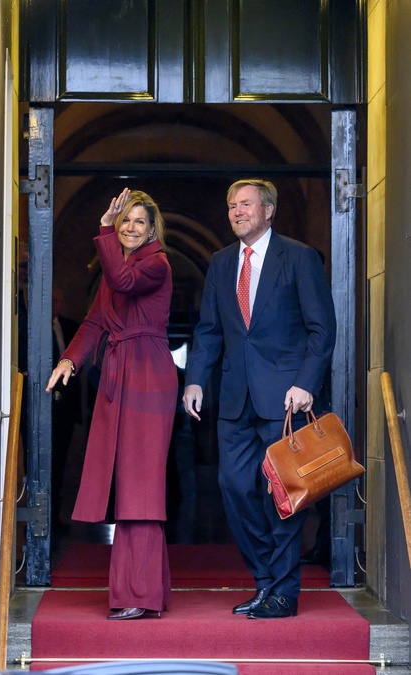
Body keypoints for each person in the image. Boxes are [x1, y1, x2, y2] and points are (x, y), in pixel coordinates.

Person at [182, 179, 336, 619]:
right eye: (232, 205)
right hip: (235, 400)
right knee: (233, 487)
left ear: (268, 210)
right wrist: (195, 380)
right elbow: (210, 330)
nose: (237, 211)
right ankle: (265, 580)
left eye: (246, 204)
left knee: (281, 494)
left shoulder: (299, 258)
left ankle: (283, 592)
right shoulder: (220, 262)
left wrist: (306, 383)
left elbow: (322, 329)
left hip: (286, 401)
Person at [46, 188, 178, 620]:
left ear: (152, 230)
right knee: (128, 486)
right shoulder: (114, 269)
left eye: (140, 222)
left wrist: (103, 229)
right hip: (118, 377)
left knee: (142, 488)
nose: (131, 228)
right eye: (125, 221)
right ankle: (144, 591)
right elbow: (95, 321)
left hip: (148, 376)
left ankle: (138, 592)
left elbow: (124, 282)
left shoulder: (156, 264)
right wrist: (69, 359)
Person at [51, 287, 82, 530]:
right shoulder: (33, 327)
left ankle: (55, 518)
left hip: (66, 412)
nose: (55, 305)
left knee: (61, 464)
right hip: (43, 409)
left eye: (59, 301)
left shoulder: (71, 328)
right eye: (52, 300)